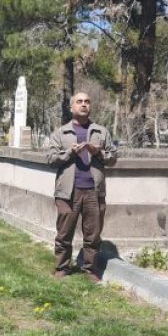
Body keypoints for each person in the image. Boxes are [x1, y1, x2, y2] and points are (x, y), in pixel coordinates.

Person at [46, 92, 117, 281]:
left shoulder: (101, 132)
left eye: (87, 101)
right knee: (64, 232)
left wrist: (98, 152)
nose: (84, 104)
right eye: (79, 101)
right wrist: (70, 153)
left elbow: (113, 158)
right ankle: (62, 267)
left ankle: (89, 270)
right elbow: (51, 159)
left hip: (94, 191)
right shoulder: (61, 133)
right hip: (67, 192)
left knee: (93, 234)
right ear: (71, 107)